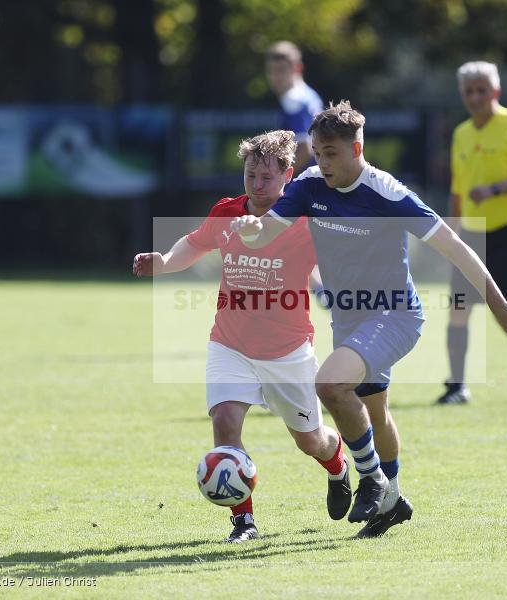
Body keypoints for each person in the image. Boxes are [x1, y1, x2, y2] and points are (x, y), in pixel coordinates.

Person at [230, 101, 507, 535]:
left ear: (356, 147)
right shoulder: (307, 185)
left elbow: (457, 247)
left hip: (394, 314)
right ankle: (392, 500)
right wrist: (251, 229)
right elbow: (270, 230)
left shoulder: (387, 193)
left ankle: (372, 478)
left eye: (332, 154)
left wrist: (500, 306)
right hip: (348, 317)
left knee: (330, 384)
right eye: (318, 153)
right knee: (374, 413)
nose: (322, 163)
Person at [132, 130, 351, 543]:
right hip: (229, 344)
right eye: (251, 174)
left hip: (288, 351)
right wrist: (164, 262)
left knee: (311, 442)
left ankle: (338, 467)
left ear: (288, 175)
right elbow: (194, 244)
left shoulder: (306, 220)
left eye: (267, 177)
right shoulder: (227, 211)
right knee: (226, 422)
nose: (257, 184)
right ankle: (243, 521)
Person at [437, 61, 507, 406]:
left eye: (481, 90)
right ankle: (457, 386)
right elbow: (457, 189)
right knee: (458, 306)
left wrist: (496, 189)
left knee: (504, 306)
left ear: (496, 92)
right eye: (469, 91)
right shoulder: (461, 133)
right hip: (470, 234)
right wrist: (449, 234)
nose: (475, 97)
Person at [265, 41, 323, 174]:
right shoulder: (310, 94)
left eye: (281, 70)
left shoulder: (293, 99)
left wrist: (277, 177)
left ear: (297, 68)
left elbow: (305, 149)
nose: (275, 77)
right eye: (272, 70)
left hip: (304, 182)